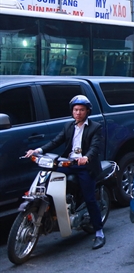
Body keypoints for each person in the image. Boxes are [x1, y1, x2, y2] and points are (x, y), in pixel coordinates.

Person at [25, 95, 106, 250]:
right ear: (72, 111)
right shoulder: (68, 126)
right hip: (68, 162)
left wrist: (86, 157)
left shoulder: (95, 127)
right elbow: (56, 141)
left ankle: (99, 232)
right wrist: (38, 150)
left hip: (85, 166)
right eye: (75, 110)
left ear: (87, 111)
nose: (78, 113)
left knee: (90, 199)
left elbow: (95, 146)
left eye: (82, 110)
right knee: (48, 173)